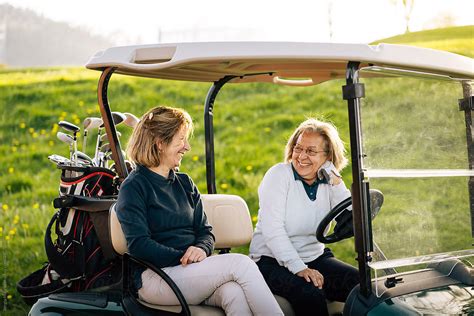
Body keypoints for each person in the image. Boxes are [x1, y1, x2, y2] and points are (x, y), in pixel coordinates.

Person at [115, 106, 283, 316]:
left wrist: (202, 249)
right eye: (181, 139)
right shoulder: (134, 187)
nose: (187, 147)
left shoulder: (185, 183)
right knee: (241, 263)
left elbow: (205, 232)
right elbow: (139, 245)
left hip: (190, 273)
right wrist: (186, 258)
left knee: (233, 293)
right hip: (156, 277)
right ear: (160, 143)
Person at [249, 118, 359, 316]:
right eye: (298, 148)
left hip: (315, 256)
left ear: (328, 156)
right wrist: (299, 268)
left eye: (311, 151)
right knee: (310, 294)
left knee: (361, 285)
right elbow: (272, 230)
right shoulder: (278, 176)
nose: (301, 156)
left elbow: (350, 216)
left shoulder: (327, 180)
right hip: (270, 261)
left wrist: (334, 178)